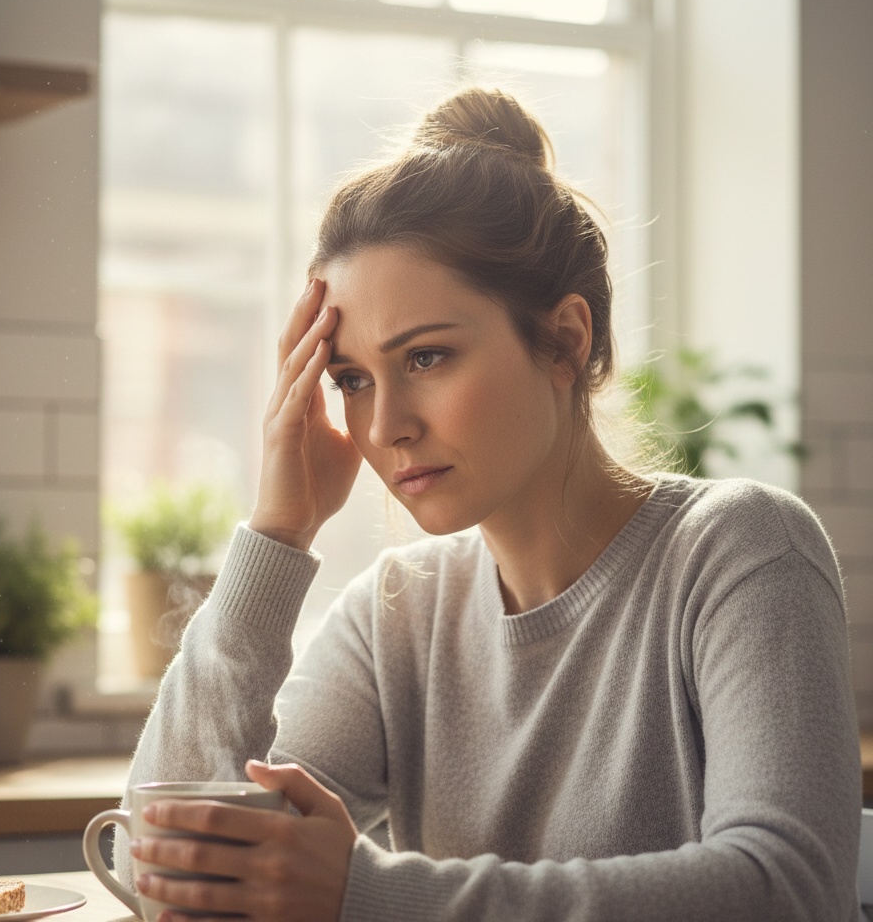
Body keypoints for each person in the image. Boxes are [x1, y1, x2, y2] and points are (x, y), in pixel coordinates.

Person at [115, 88, 861, 921]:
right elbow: (161, 874)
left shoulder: (741, 548)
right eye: (351, 380)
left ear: (566, 342)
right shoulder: (395, 618)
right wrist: (277, 535)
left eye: (427, 357)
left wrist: (365, 892)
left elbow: (791, 889)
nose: (386, 425)